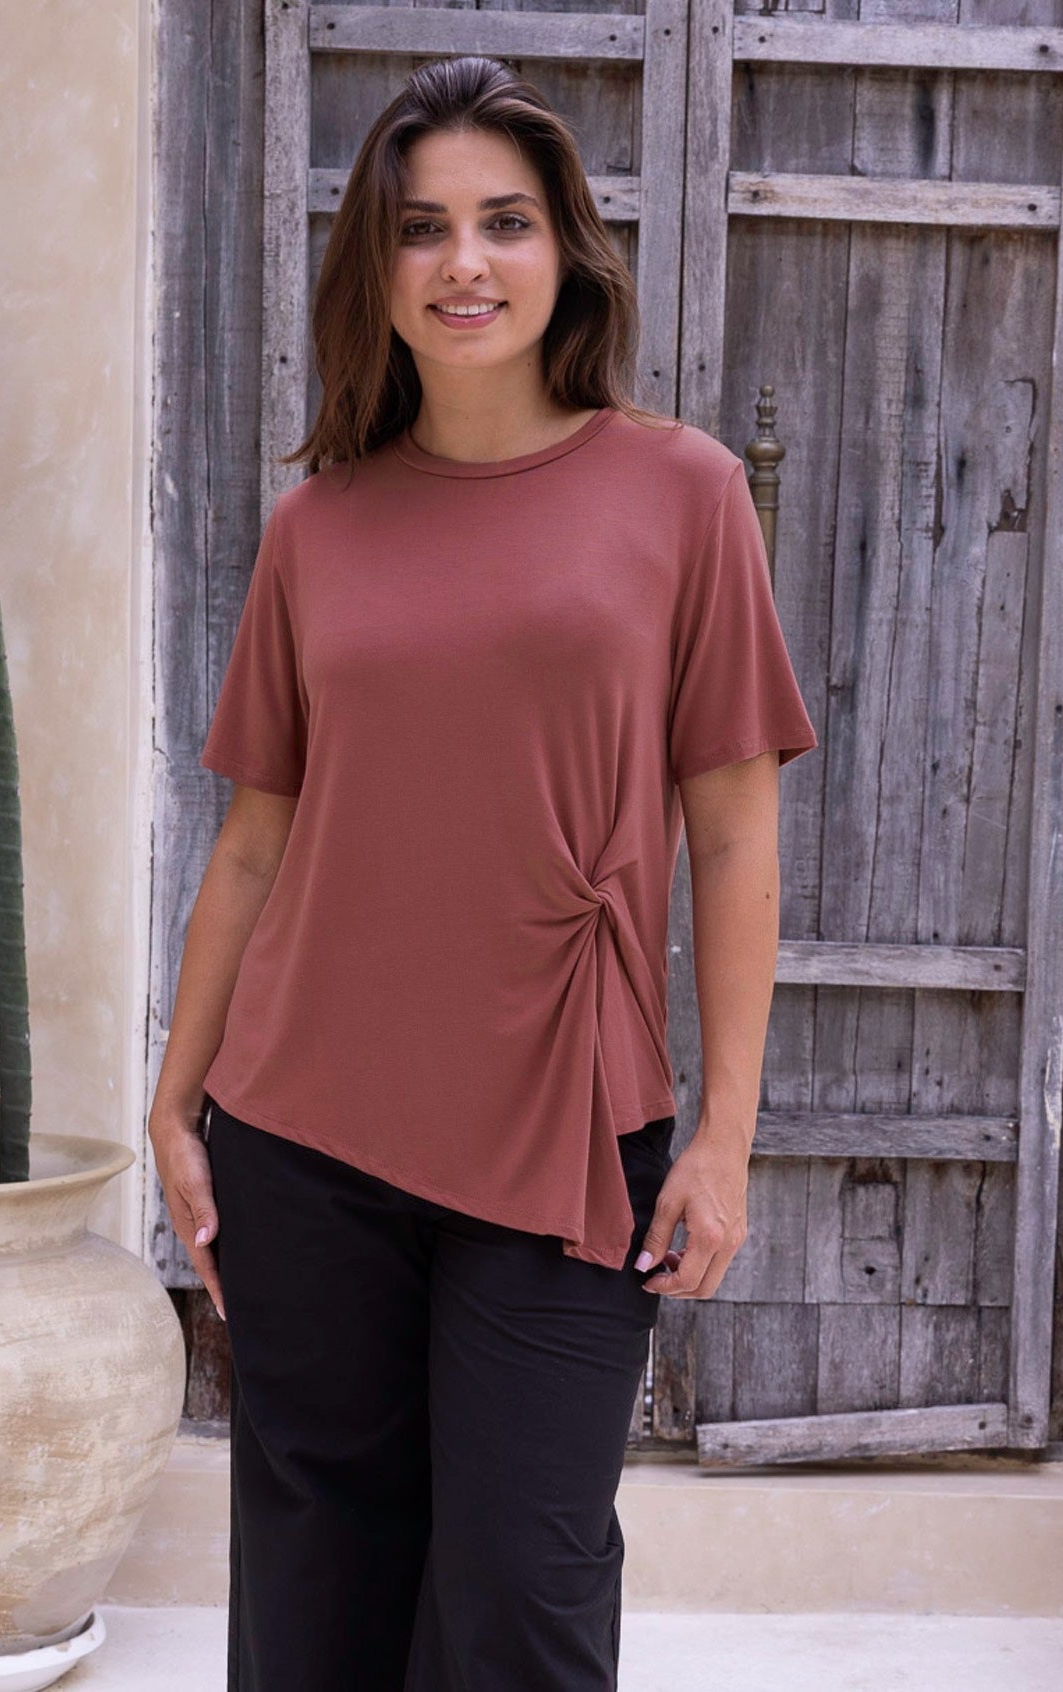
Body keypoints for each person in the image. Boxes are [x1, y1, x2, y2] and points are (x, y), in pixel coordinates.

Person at [148, 53, 818, 1692]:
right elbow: (255, 842)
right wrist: (175, 1108)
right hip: (304, 1133)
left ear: (566, 252)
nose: (464, 263)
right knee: (318, 1590)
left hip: (570, 1138)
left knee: (523, 1588)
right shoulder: (320, 527)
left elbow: (731, 832)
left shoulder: (683, 493)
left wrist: (723, 1139)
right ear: (374, 273)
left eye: (505, 223)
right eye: (422, 227)